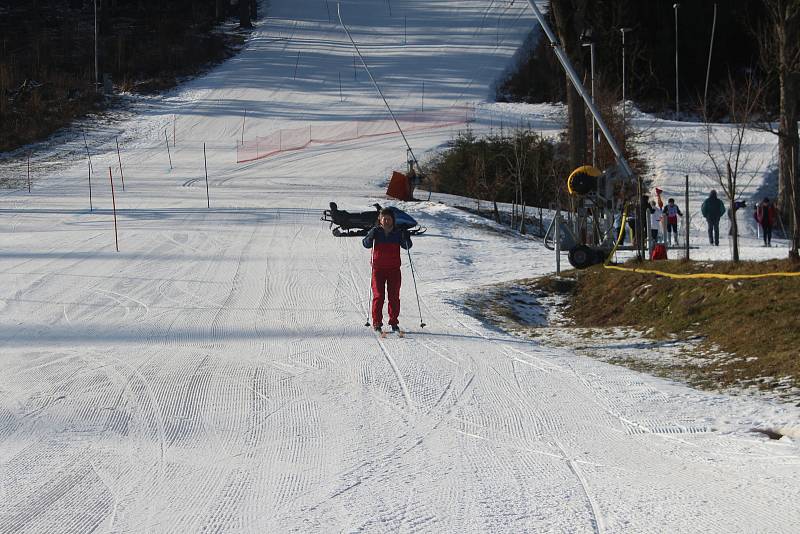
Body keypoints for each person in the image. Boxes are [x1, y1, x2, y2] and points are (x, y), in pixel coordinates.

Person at [363, 208, 412, 333]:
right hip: (378, 269)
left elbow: (407, 246)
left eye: (389, 219)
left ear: (393, 220)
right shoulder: (376, 231)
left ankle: (394, 322)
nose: (386, 221)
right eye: (384, 218)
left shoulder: (397, 232)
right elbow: (366, 244)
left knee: (394, 296)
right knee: (379, 296)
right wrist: (370, 237)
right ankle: (377, 322)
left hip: (394, 270)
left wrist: (406, 237)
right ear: (380, 219)